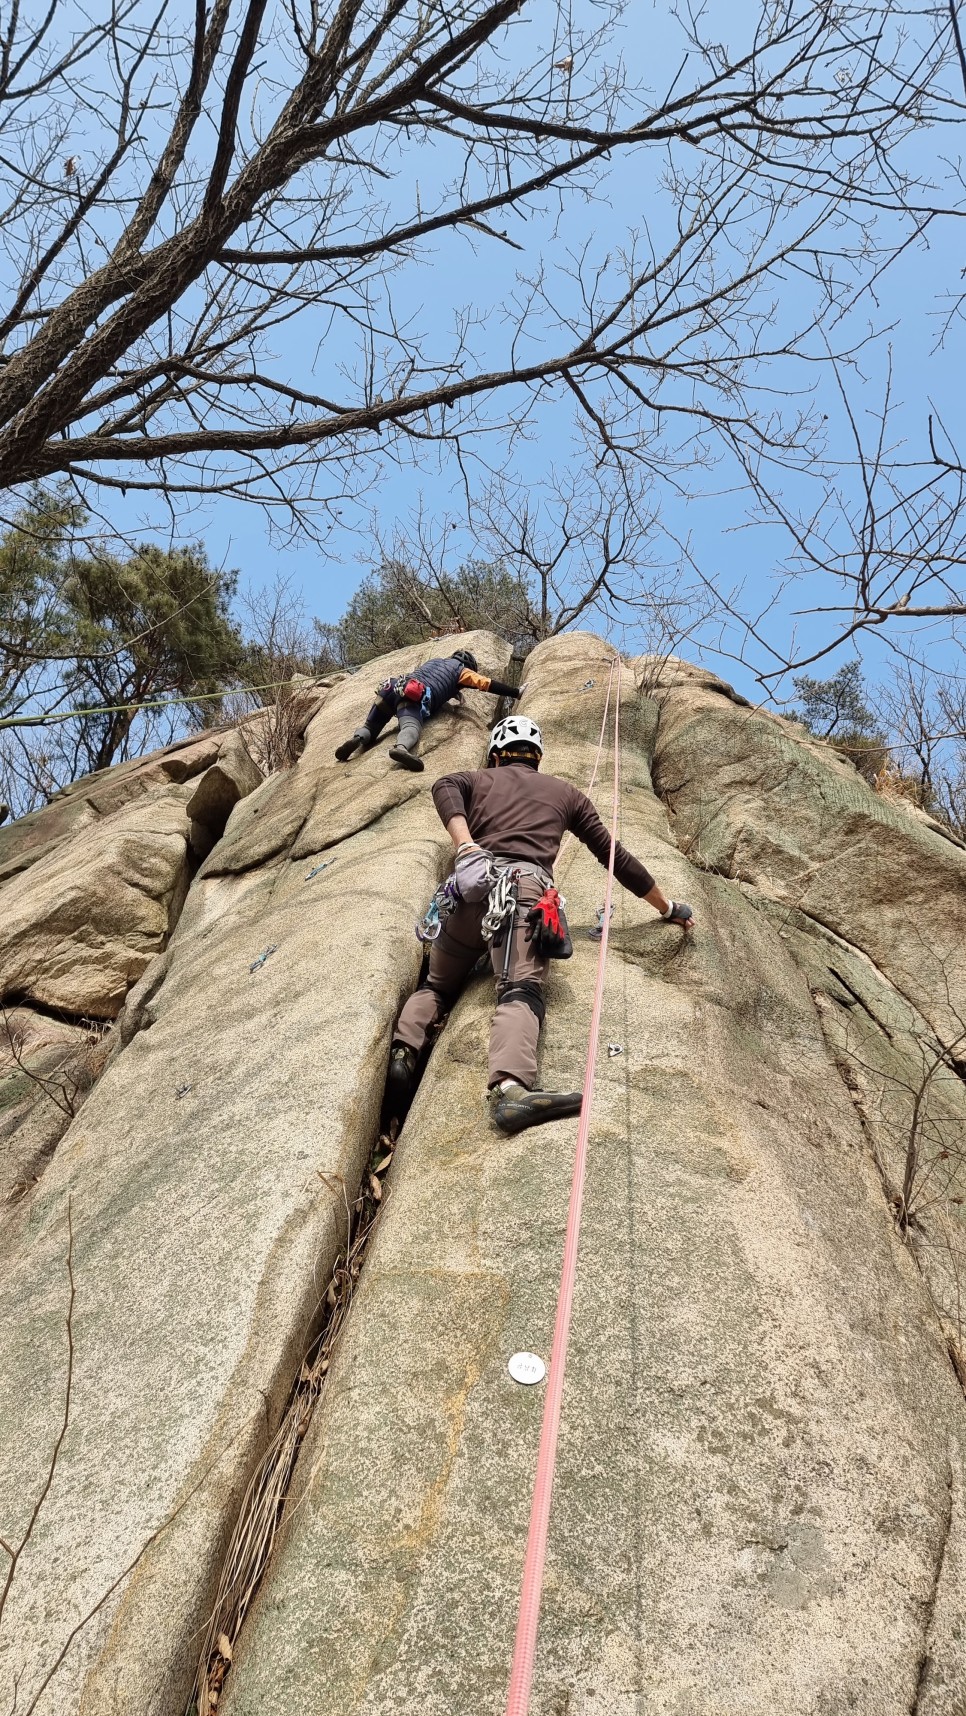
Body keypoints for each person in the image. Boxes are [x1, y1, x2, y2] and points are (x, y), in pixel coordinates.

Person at [384, 713, 695, 1134]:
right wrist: (667, 906)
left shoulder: (476, 780)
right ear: (538, 758)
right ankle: (510, 1090)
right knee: (519, 989)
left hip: (467, 891)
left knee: (436, 986)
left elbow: (444, 786)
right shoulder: (566, 794)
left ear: (496, 756)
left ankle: (404, 1051)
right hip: (520, 895)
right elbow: (614, 857)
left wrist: (467, 846)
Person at [334, 648, 521, 773]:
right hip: (413, 696)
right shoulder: (461, 671)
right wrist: (516, 692)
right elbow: (486, 684)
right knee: (410, 727)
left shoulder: (435, 661)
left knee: (371, 726)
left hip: (392, 688)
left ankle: (358, 739)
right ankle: (401, 749)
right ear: (469, 667)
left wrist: (454, 692)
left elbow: (437, 679)